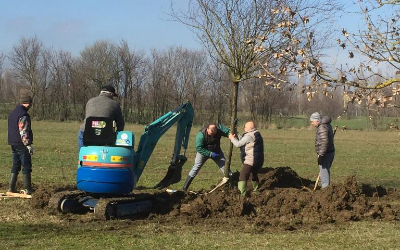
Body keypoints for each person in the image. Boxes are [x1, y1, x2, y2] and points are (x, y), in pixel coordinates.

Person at [182, 123, 231, 191]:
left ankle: (232, 184)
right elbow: (199, 148)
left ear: (216, 130)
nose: (212, 135)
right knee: (196, 167)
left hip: (217, 152)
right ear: (207, 129)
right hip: (203, 152)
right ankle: (184, 188)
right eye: (211, 134)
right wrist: (210, 154)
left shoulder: (219, 129)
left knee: (225, 167)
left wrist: (232, 131)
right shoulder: (201, 135)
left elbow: (229, 132)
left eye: (214, 134)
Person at [78, 85, 125, 152]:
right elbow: (120, 123)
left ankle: (82, 156)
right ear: (111, 94)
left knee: (82, 132)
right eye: (113, 96)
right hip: (105, 134)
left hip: (86, 133)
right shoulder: (115, 104)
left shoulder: (90, 101)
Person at [7, 93, 34, 194]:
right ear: (27, 103)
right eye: (30, 103)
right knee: (26, 166)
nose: (31, 106)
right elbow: (23, 130)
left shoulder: (13, 113)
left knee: (16, 165)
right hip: (21, 143)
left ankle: (11, 188)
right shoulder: (23, 115)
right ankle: (28, 189)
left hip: (12, 142)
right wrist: (28, 145)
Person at [229, 121, 264, 196]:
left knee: (243, 175)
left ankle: (242, 194)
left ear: (249, 128)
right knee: (253, 174)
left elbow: (238, 144)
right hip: (258, 159)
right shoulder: (256, 133)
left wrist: (232, 138)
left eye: (245, 127)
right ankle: (256, 189)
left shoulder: (249, 136)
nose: (244, 128)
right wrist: (236, 132)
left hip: (251, 159)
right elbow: (243, 140)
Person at [310, 112, 335, 188]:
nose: (312, 123)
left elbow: (324, 142)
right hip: (329, 152)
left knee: (324, 175)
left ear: (317, 120)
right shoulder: (327, 125)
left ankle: (325, 191)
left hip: (325, 154)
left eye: (312, 121)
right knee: (325, 172)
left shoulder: (322, 127)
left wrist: (321, 156)